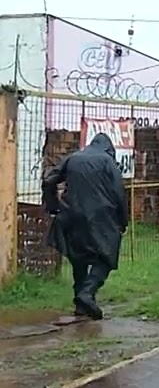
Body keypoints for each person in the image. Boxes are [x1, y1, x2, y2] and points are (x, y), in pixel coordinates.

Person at [41, 133, 129, 321]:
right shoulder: (107, 161)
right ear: (109, 149)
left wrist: (53, 207)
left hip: (71, 214)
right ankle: (87, 293)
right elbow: (119, 193)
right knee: (106, 256)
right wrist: (123, 220)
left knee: (78, 256)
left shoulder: (73, 158)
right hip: (101, 217)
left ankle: (81, 304)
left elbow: (49, 180)